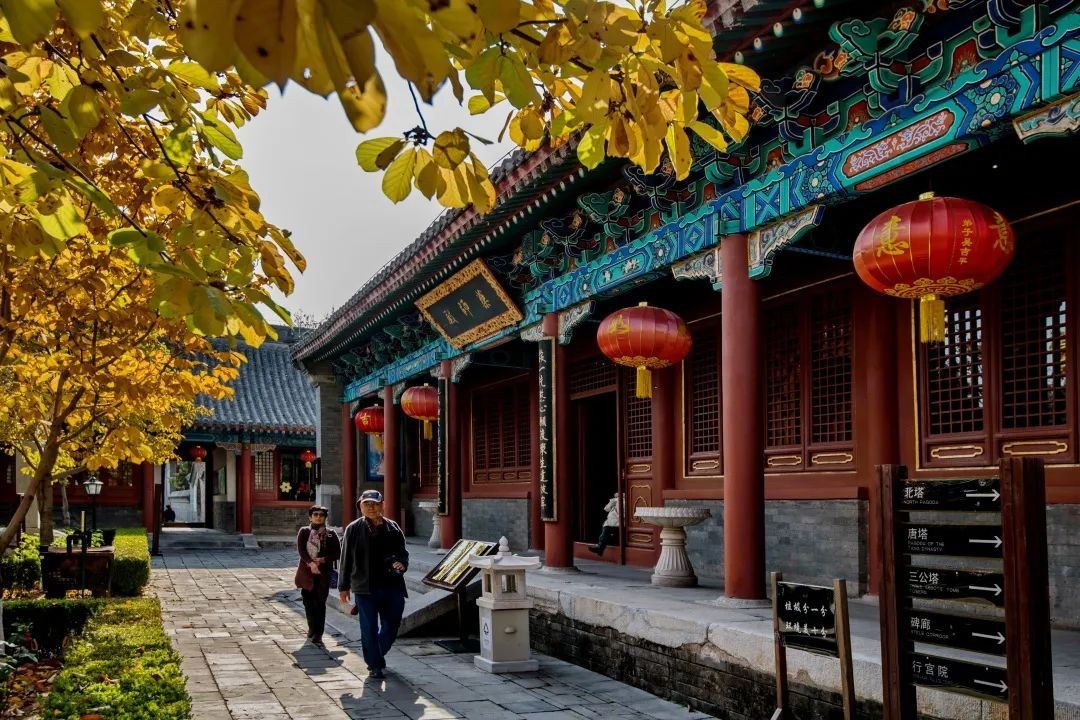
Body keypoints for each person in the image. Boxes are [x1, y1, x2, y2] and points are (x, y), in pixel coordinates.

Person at [338, 489, 408, 679]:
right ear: (360, 507)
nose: (371, 507)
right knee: (368, 628)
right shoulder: (353, 529)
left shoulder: (393, 527)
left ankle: (376, 655)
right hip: (365, 587)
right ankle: (375, 665)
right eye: (366, 504)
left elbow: (403, 553)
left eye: (375, 504)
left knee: (392, 624)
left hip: (392, 585)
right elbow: (345, 559)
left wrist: (402, 563)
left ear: (382, 505)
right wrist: (343, 587)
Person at [294, 505, 341, 646]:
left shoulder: (331, 534)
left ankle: (318, 634)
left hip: (323, 574)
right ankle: (311, 628)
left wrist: (323, 560)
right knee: (308, 602)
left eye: (321, 515)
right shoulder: (304, 532)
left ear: (325, 518)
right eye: (315, 514)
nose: (318, 517)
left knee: (320, 604)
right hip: (306, 573)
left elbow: (337, 553)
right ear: (310, 517)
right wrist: (311, 563)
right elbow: (301, 550)